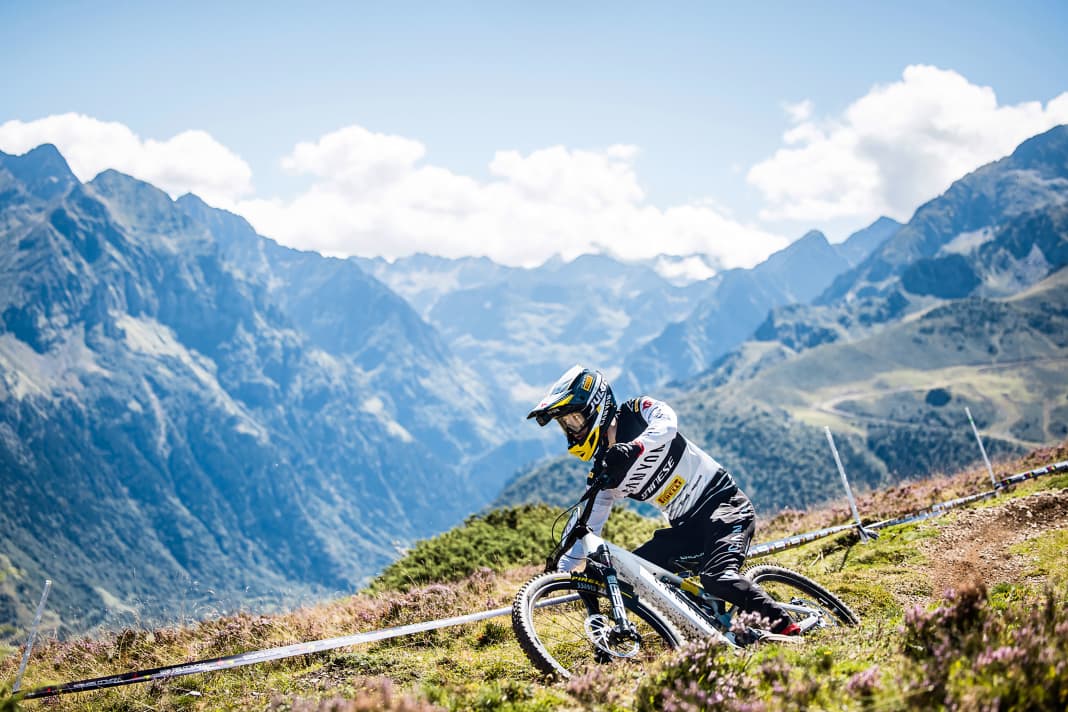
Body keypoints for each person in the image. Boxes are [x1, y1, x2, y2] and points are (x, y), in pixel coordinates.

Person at [527, 364, 800, 637]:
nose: (571, 432)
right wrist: (556, 575)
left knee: (717, 578)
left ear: (596, 408)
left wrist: (635, 447)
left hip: (724, 506)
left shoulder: (636, 412)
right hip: (686, 530)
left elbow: (667, 423)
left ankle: (788, 627)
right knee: (632, 574)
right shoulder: (605, 471)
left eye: (574, 420)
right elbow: (586, 527)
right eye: (565, 426)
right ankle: (709, 626)